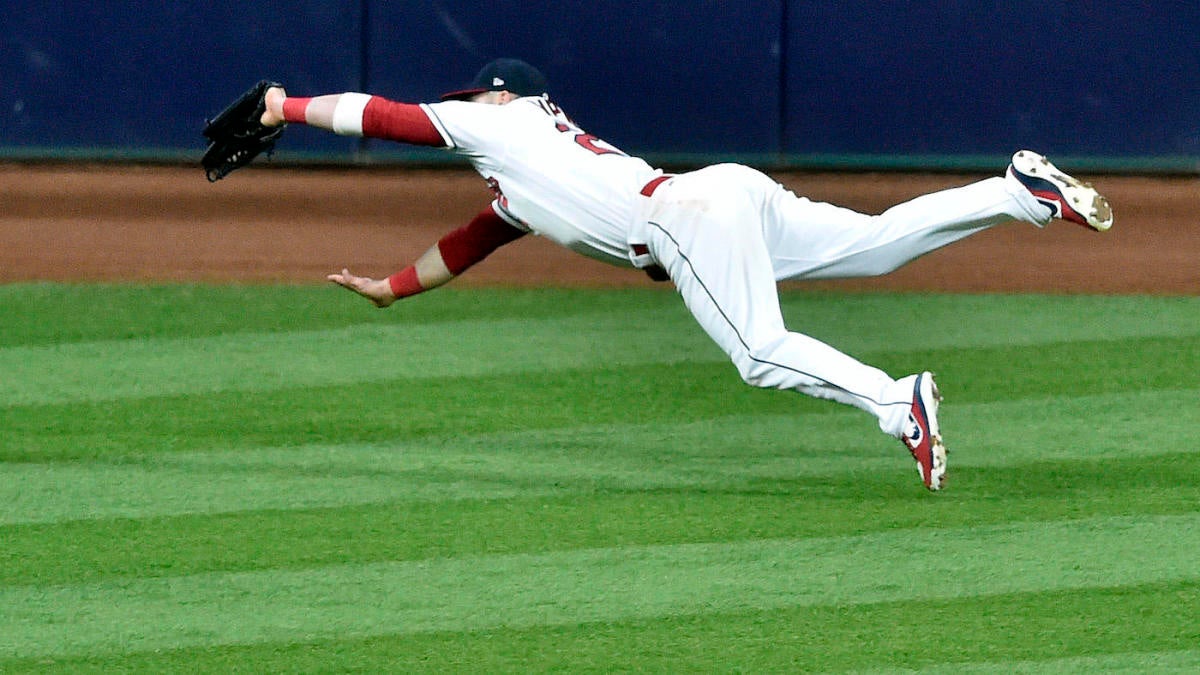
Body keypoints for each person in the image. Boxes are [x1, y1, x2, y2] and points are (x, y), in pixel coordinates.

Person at [258, 58, 1113, 491]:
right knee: (880, 242)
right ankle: (1016, 191)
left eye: (468, 100)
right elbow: (473, 239)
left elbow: (382, 117)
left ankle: (898, 404)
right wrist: (390, 288)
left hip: (680, 220)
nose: (459, 109)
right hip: (720, 191)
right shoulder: (526, 171)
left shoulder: (502, 122)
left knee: (758, 353)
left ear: (492, 97)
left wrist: (284, 110)